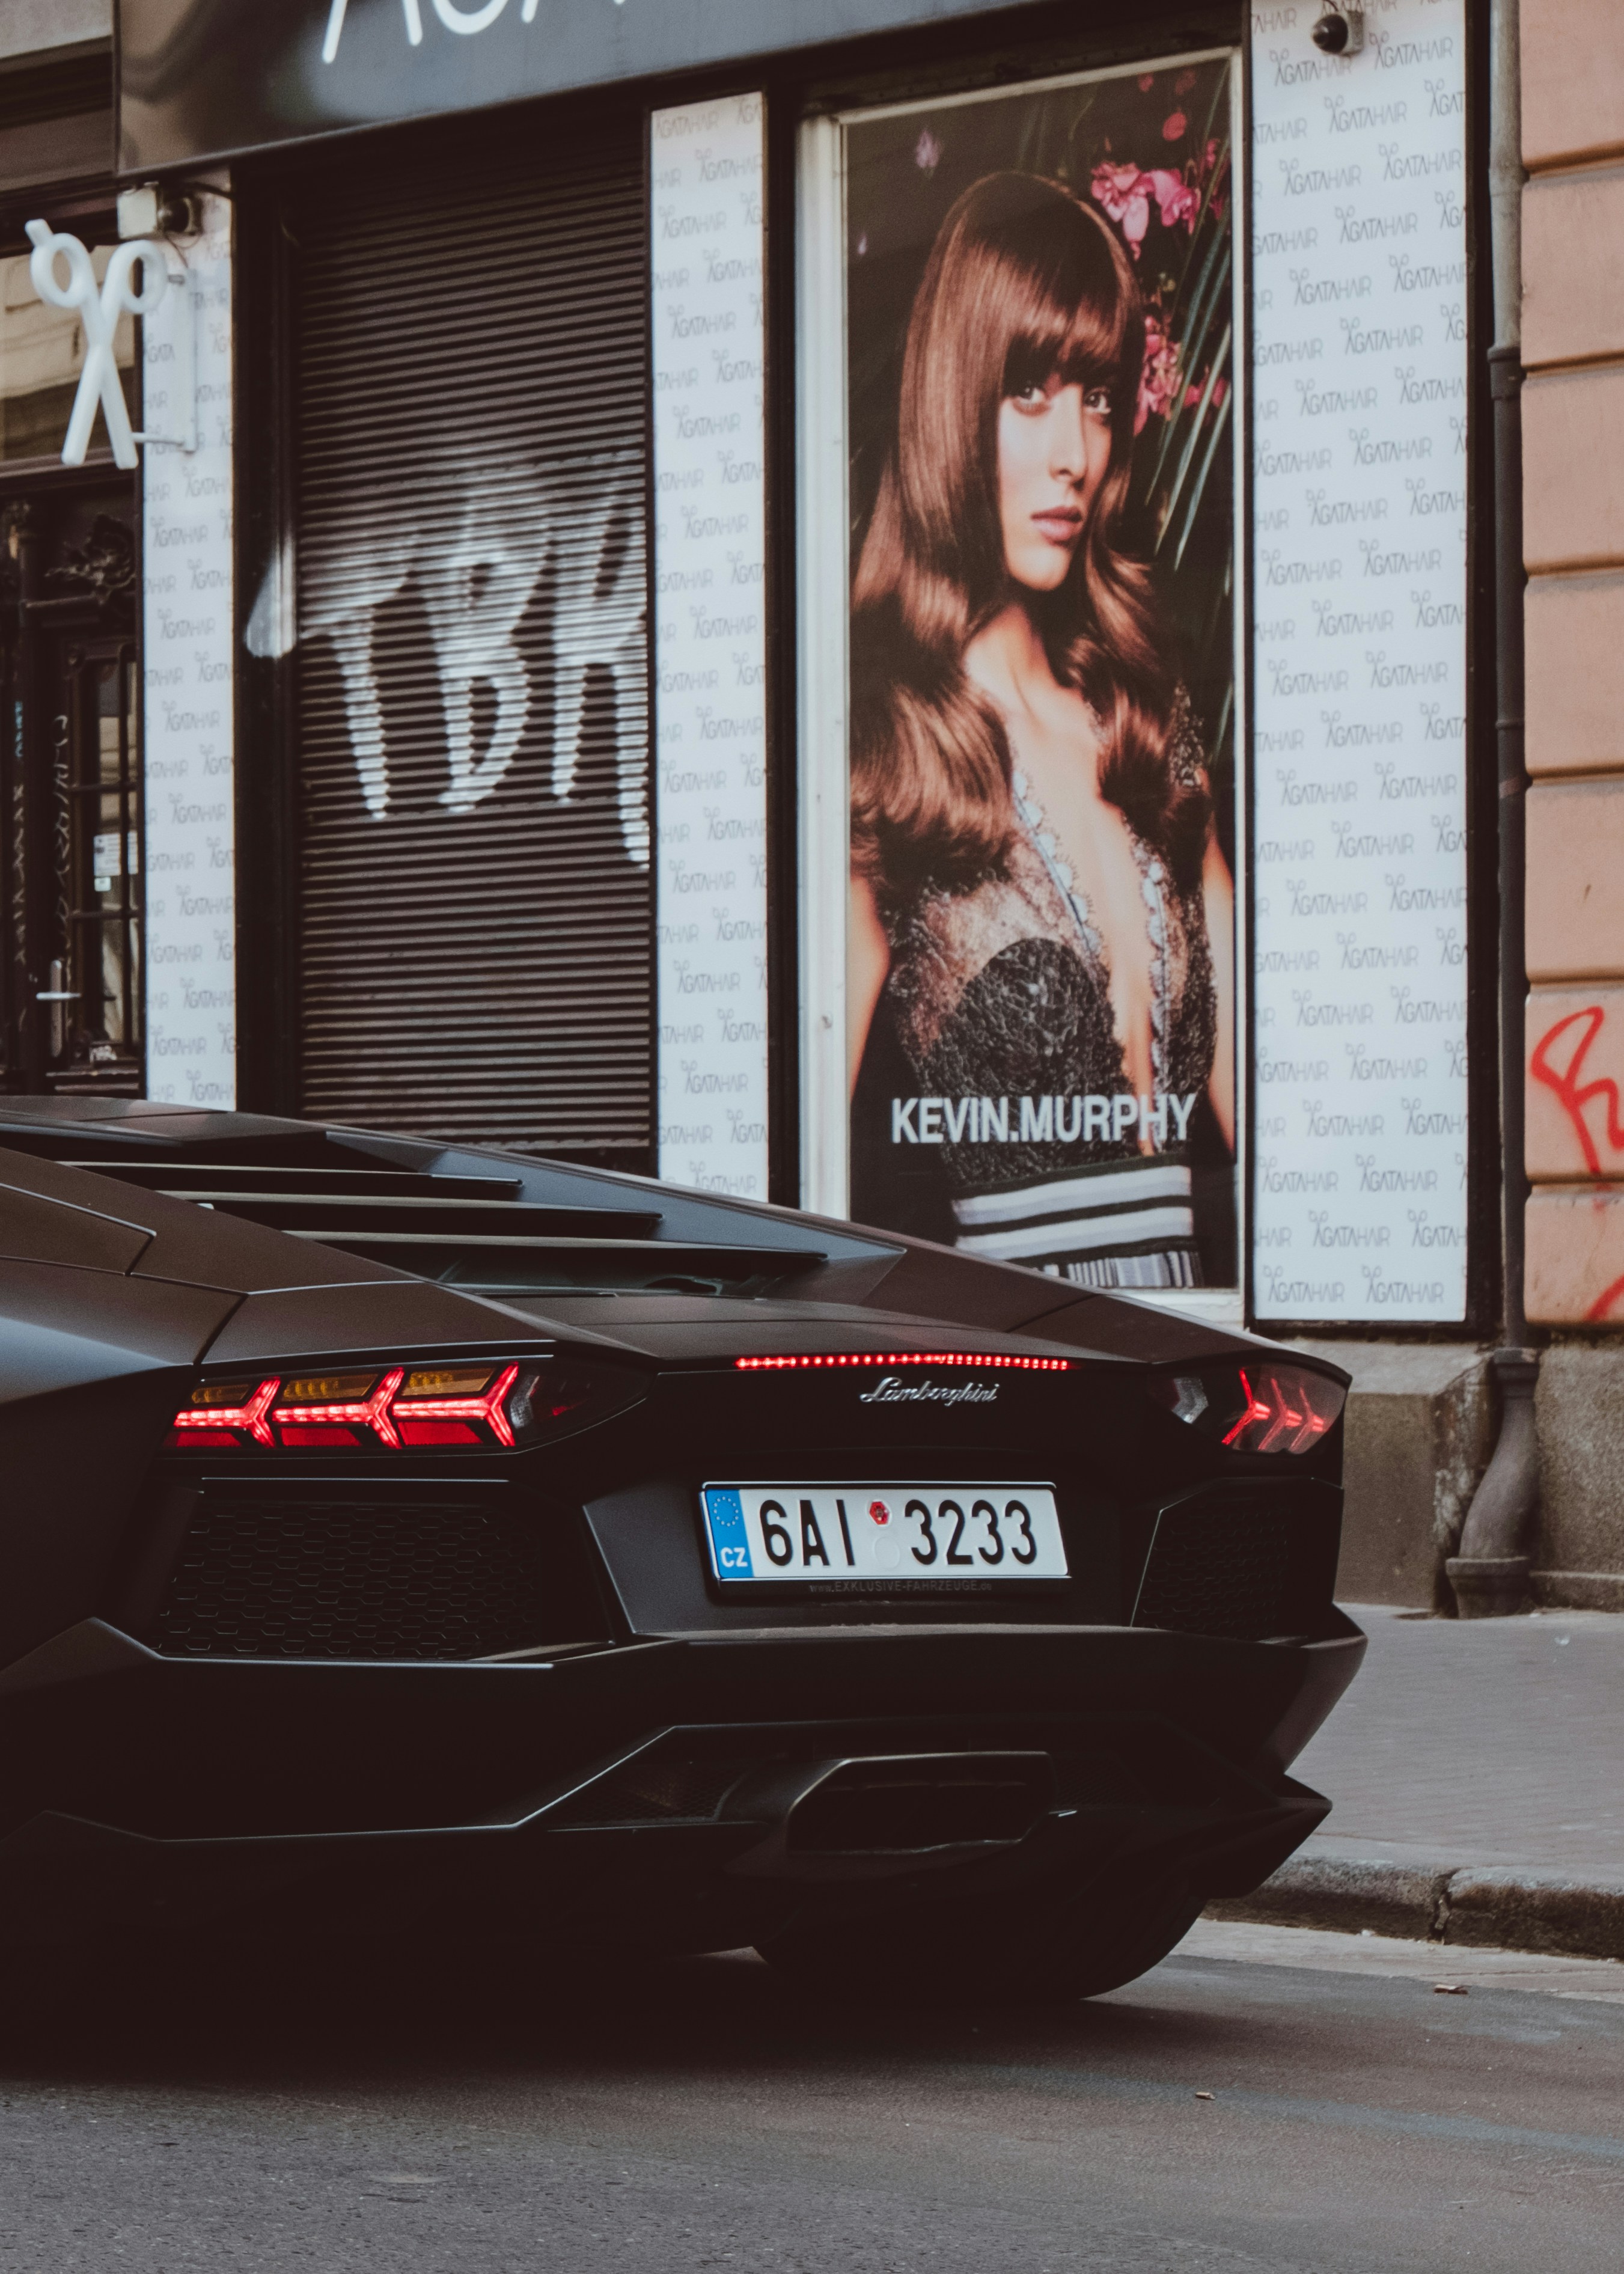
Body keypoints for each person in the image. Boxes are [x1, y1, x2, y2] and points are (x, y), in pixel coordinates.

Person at [847, 170, 1233, 1290]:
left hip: (1203, 1345)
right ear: (951, 399)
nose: (1075, 451)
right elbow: (776, 1156)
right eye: (1031, 392)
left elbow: (1290, 1117)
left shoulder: (1142, 728)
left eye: (1099, 399)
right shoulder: (887, 744)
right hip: (1013, 1377)